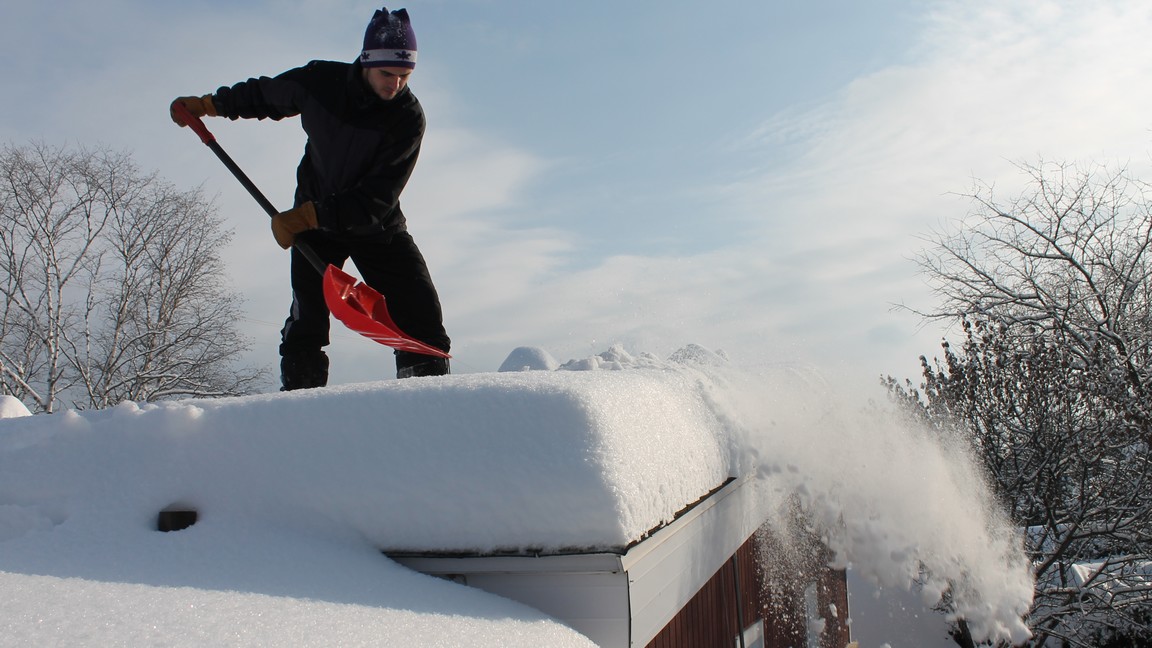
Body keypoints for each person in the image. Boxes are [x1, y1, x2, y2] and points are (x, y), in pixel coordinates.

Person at [171, 7, 450, 389]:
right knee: (307, 320)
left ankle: (429, 398)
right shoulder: (322, 82)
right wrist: (209, 105)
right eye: (387, 74)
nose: (395, 85)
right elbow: (265, 95)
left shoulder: (407, 117)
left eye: (405, 76)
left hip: (374, 225)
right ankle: (303, 405)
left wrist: (306, 217)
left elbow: (376, 199)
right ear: (366, 62)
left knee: (420, 313)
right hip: (315, 225)